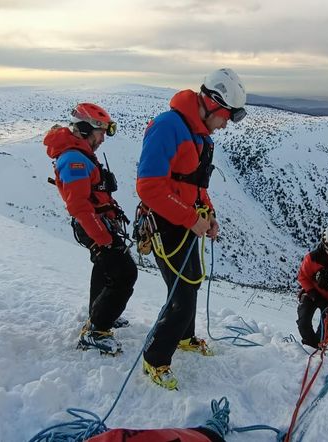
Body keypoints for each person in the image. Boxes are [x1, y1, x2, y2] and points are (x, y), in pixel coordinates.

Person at [136, 68, 247, 389]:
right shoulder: (168, 127)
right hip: (165, 222)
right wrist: (190, 218)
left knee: (191, 282)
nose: (226, 123)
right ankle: (156, 358)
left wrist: (207, 215)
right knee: (181, 293)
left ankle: (184, 337)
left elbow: (196, 186)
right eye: (227, 115)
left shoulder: (200, 136)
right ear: (211, 103)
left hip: (187, 221)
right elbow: (148, 187)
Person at [44, 103, 138, 356]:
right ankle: (97, 330)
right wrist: (103, 237)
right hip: (93, 225)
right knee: (125, 273)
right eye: (100, 132)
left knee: (105, 268)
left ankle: (100, 313)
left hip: (98, 223)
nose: (102, 139)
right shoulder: (74, 159)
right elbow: (79, 205)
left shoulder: (79, 153)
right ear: (86, 129)